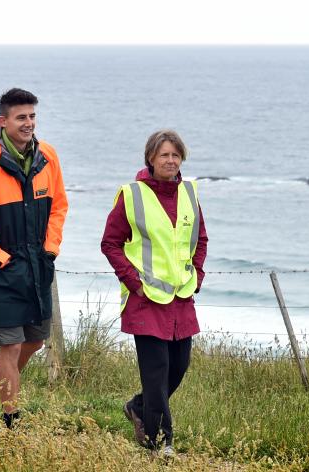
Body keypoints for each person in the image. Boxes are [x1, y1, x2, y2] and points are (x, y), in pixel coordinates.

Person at [0, 88, 68, 430]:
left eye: (32, 116)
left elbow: (59, 207)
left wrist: (50, 249)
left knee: (33, 340)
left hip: (38, 266)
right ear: (2, 121)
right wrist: (0, 258)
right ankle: (8, 420)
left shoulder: (47, 155)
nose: (29, 123)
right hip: (1, 270)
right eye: (21, 117)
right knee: (10, 345)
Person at [100, 129, 208, 457]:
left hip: (181, 298)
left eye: (176, 155)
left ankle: (137, 406)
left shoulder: (189, 192)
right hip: (145, 300)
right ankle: (161, 444)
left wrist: (197, 274)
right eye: (165, 155)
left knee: (179, 366)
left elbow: (200, 239)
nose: (171, 161)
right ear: (151, 158)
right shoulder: (132, 195)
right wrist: (134, 283)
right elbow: (110, 243)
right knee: (157, 371)